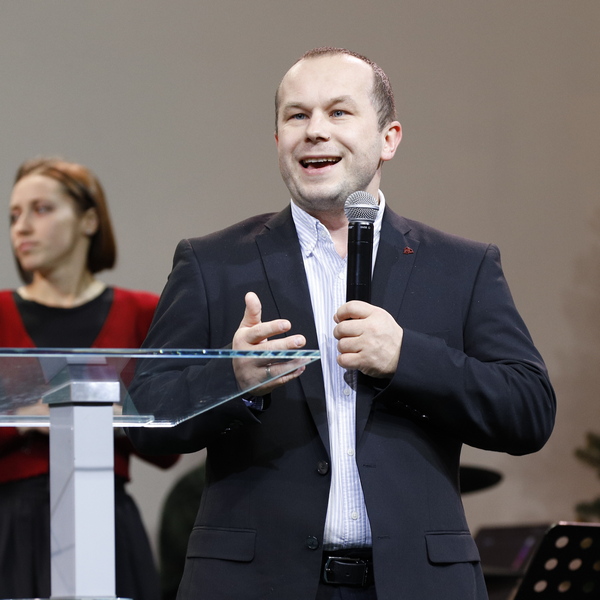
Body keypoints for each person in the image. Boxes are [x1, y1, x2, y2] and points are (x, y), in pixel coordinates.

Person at [127, 48, 556, 600]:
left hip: (416, 585)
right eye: (296, 115)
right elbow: (144, 416)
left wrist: (406, 358)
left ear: (388, 139)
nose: (314, 131)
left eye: (338, 112)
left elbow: (528, 411)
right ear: (278, 139)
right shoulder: (212, 264)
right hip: (255, 585)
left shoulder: (461, 267)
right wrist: (232, 379)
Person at [0, 157, 178, 600]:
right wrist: (25, 419)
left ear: (89, 221)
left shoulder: (141, 312)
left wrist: (109, 418)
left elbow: (167, 447)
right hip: (13, 526)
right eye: (14, 215)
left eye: (41, 209)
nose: (22, 227)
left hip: (108, 522)